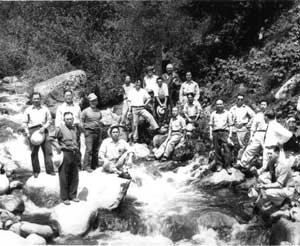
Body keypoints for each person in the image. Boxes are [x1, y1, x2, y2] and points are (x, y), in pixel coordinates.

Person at [51, 112, 81, 205]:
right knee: (64, 175)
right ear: (64, 120)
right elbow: (50, 138)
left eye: (71, 119)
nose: (69, 120)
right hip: (65, 152)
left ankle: (73, 195)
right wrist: (57, 146)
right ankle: (65, 197)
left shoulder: (75, 128)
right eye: (67, 119)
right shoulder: (59, 128)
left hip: (74, 153)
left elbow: (78, 140)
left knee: (74, 175)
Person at [23, 92, 55, 178]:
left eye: (38, 98)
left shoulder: (45, 109)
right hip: (32, 130)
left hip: (43, 129)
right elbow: (24, 122)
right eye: (35, 98)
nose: (36, 100)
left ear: (40, 99)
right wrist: (27, 132)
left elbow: (49, 120)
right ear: (32, 100)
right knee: (34, 152)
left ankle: (50, 170)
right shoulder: (28, 110)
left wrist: (44, 127)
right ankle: (36, 171)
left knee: (48, 151)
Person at [237, 100, 268, 170]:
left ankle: (267, 168)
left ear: (267, 106)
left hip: (267, 133)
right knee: (250, 149)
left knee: (267, 151)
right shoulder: (257, 115)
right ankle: (243, 164)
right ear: (260, 106)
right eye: (262, 104)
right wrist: (251, 136)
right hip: (258, 133)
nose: (263, 106)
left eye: (264, 105)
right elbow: (253, 127)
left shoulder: (270, 114)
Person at [209, 99, 233, 174]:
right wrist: (210, 134)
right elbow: (211, 125)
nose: (219, 106)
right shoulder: (213, 114)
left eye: (220, 104)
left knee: (227, 149)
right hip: (215, 132)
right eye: (217, 104)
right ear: (216, 105)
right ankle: (219, 165)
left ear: (223, 105)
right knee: (217, 149)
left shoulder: (227, 113)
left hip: (224, 132)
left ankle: (228, 166)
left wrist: (230, 135)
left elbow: (231, 125)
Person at [81, 93, 103, 172]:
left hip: (97, 131)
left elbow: (100, 120)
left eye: (95, 101)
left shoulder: (98, 111)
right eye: (92, 101)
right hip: (89, 132)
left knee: (96, 150)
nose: (93, 102)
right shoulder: (85, 111)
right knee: (89, 149)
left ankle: (94, 166)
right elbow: (81, 122)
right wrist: (85, 131)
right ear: (89, 102)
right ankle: (85, 166)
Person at [230, 94, 255, 160]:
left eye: (241, 99)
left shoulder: (246, 108)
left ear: (243, 100)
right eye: (238, 99)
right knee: (233, 144)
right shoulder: (233, 108)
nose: (240, 101)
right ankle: (233, 159)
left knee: (243, 145)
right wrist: (232, 124)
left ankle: (241, 159)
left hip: (243, 128)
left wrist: (249, 124)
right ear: (236, 100)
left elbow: (253, 116)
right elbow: (229, 118)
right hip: (234, 128)